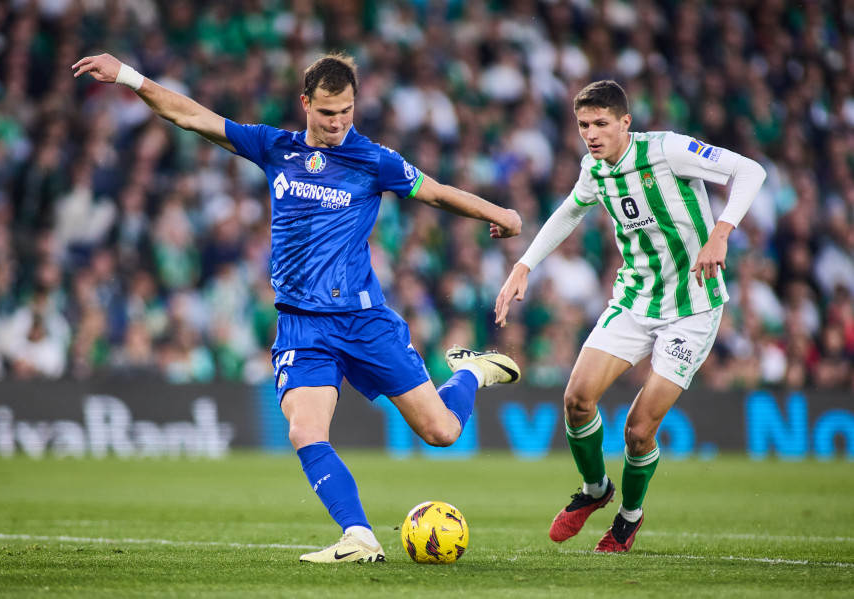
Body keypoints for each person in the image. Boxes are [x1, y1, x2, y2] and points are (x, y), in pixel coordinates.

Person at [73, 52, 523, 563]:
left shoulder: (373, 159)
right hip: (301, 325)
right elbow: (191, 116)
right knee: (304, 430)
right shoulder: (274, 147)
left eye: (347, 112)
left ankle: (473, 372)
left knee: (442, 432)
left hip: (363, 320)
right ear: (305, 103)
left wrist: (501, 213)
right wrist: (129, 77)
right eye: (328, 113)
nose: (337, 124)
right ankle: (360, 536)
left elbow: (436, 194)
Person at [495, 80, 766, 552]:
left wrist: (722, 232)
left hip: (693, 307)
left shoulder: (669, 150)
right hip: (635, 300)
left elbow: (751, 171)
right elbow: (568, 213)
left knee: (639, 430)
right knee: (577, 399)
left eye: (602, 124)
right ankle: (596, 489)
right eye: (584, 126)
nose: (592, 134)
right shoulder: (593, 169)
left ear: (625, 122)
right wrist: (523, 265)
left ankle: (629, 516)